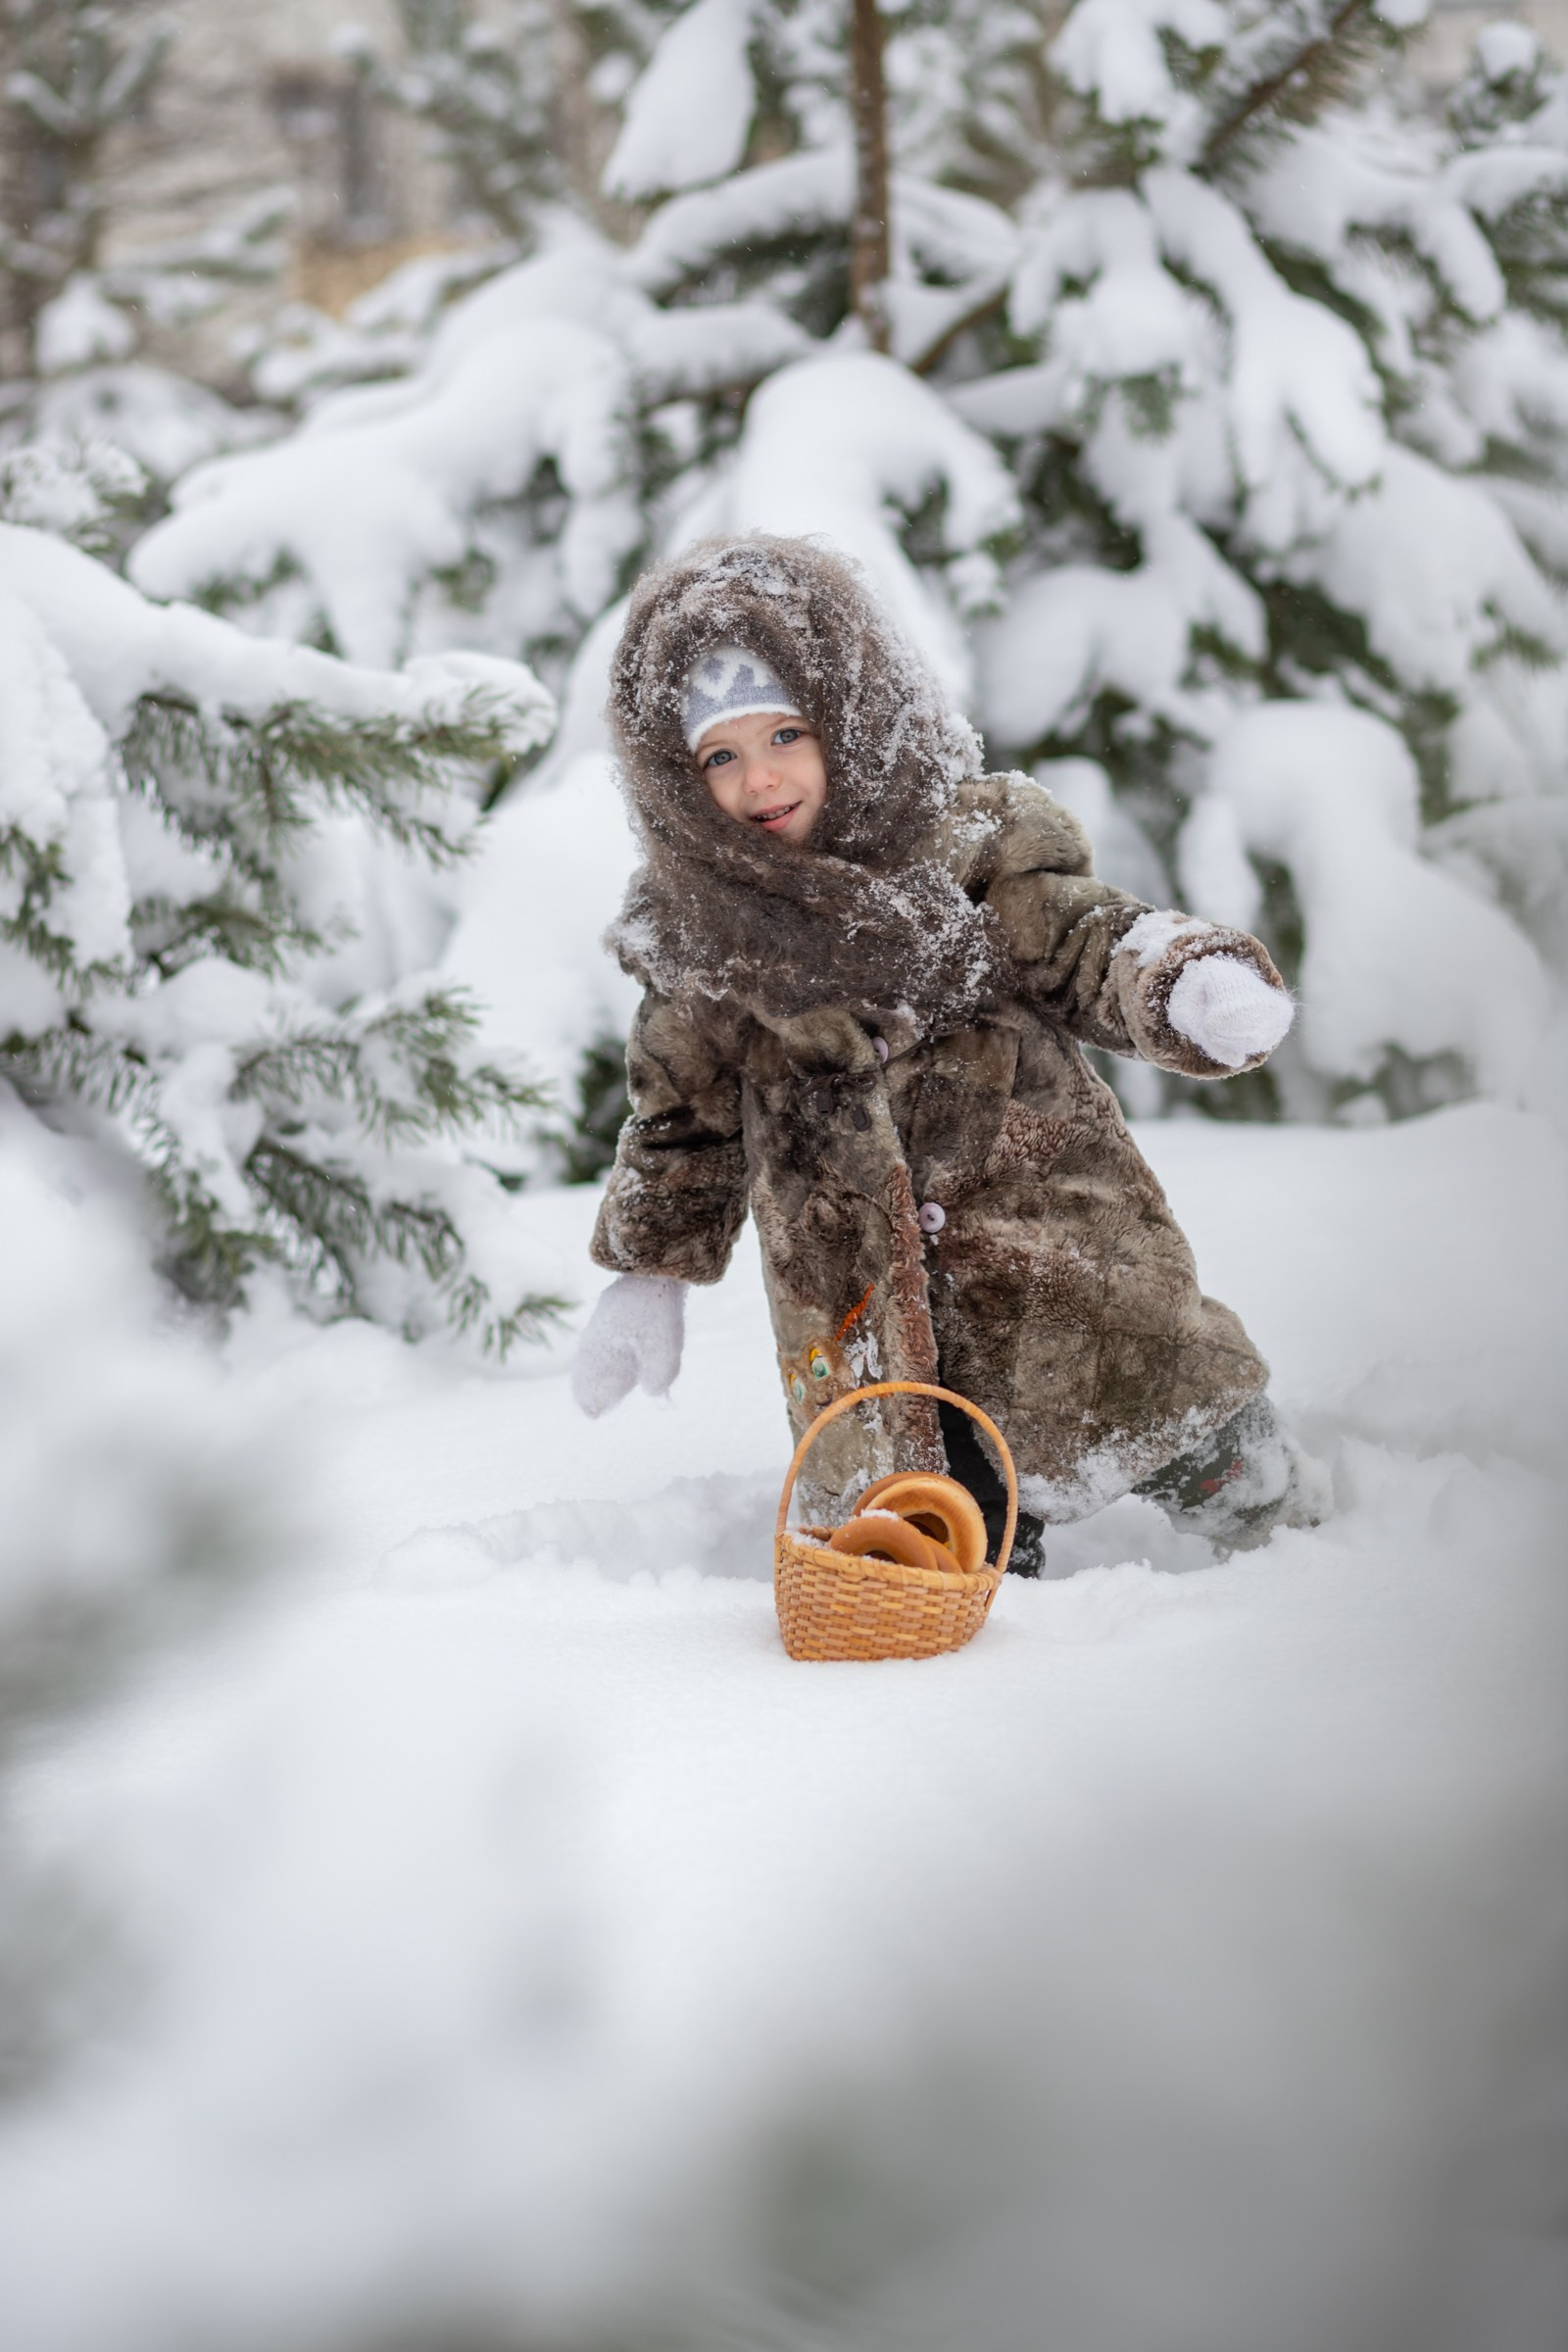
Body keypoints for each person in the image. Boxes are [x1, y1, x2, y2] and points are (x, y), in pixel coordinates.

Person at [571, 534, 1322, 1573]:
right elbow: (681, 1124)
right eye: (718, 757)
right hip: (863, 1329)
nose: (759, 780)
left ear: (852, 720)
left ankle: (1308, 1555)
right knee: (938, 1541)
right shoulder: (703, 944)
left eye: (786, 732)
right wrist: (649, 1270)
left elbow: (1083, 939)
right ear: (674, 781)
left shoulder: (966, 857)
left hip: (1063, 1270)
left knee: (1188, 1427)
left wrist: (1175, 978)